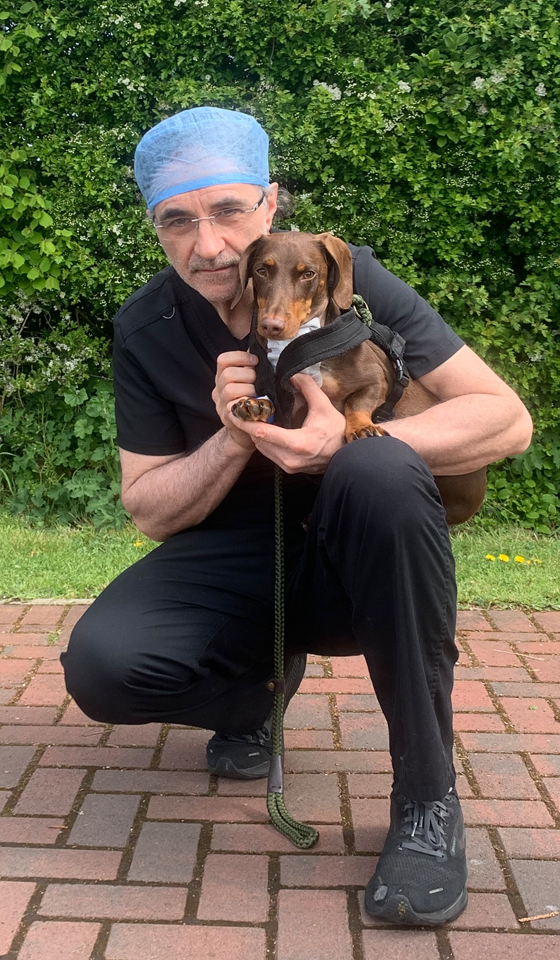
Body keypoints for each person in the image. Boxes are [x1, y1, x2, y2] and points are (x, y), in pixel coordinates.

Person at [61, 107, 532, 926]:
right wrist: (235, 435)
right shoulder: (146, 326)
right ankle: (255, 697)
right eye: (178, 219)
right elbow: (148, 508)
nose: (208, 244)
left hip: (361, 549)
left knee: (382, 465)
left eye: (229, 210)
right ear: (154, 229)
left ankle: (427, 800)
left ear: (270, 204)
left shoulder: (351, 279)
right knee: (104, 665)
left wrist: (343, 447)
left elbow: (506, 420)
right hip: (241, 552)